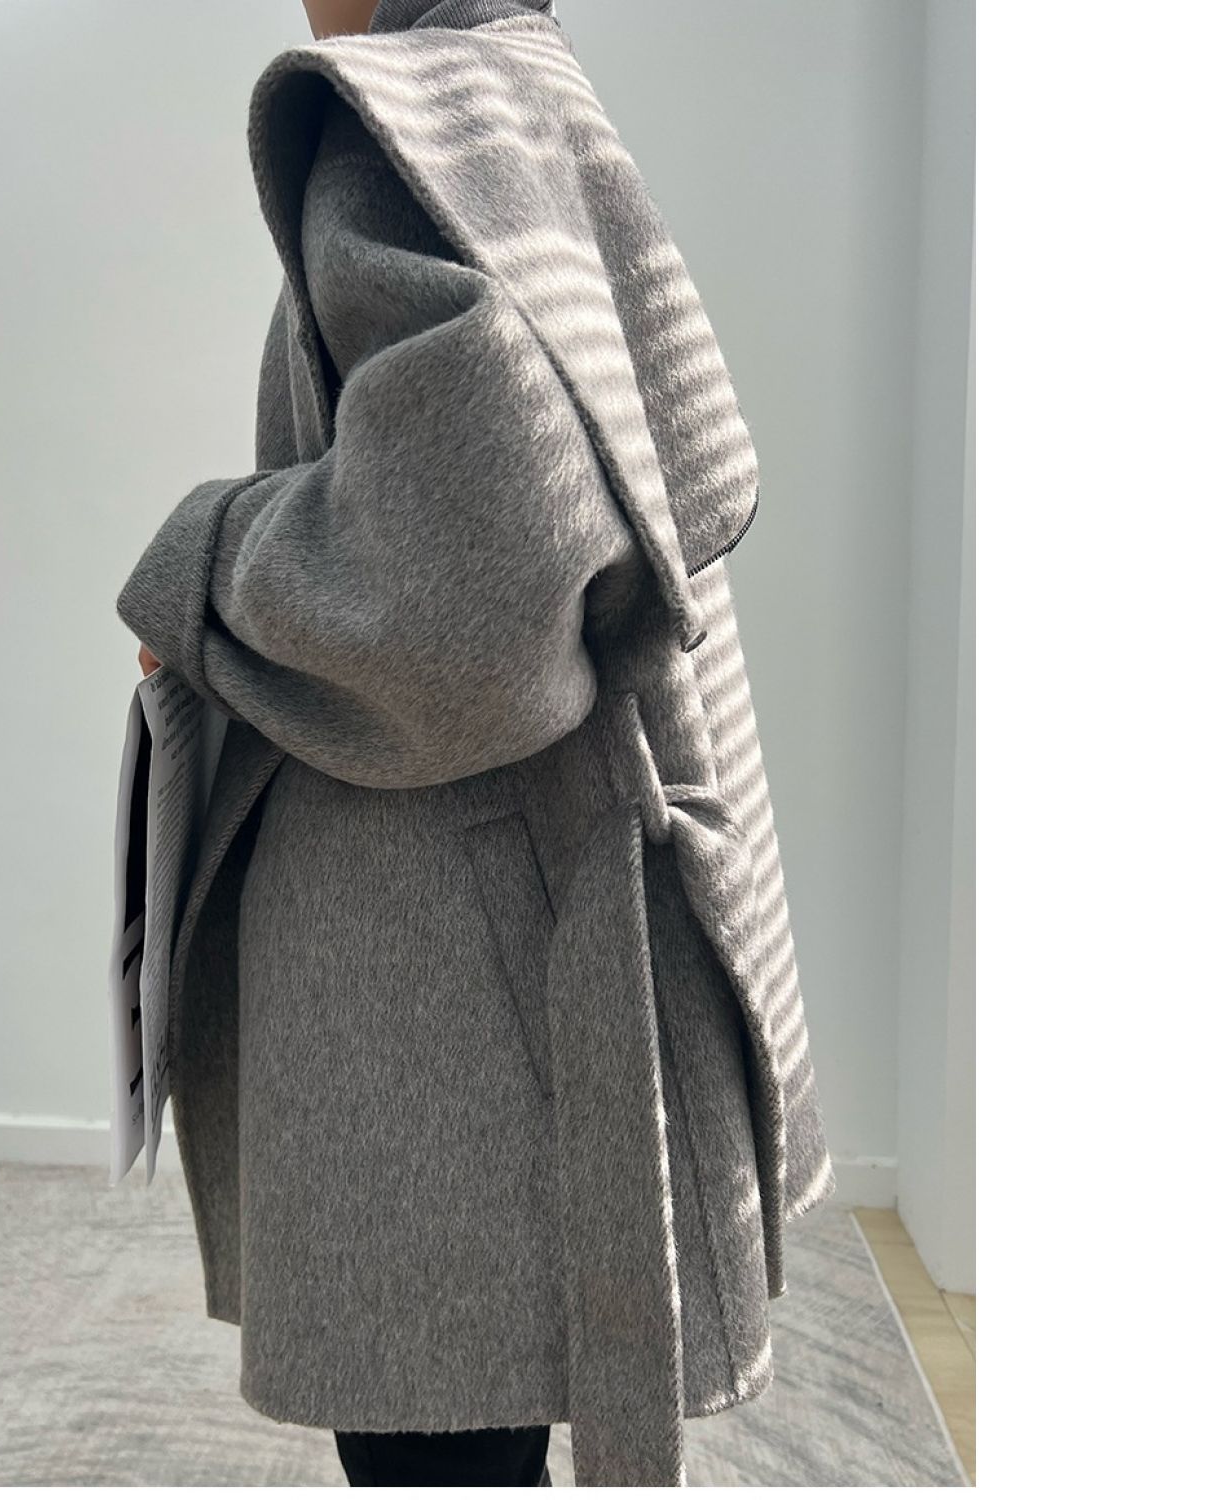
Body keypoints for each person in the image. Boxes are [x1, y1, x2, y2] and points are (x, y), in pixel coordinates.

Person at [117, 0, 836, 1486]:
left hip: (448, 957)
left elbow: (467, 579)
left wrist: (206, 564)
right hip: (526, 916)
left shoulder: (394, 129)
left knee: (436, 1443)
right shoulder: (520, 86)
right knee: (485, 1419)